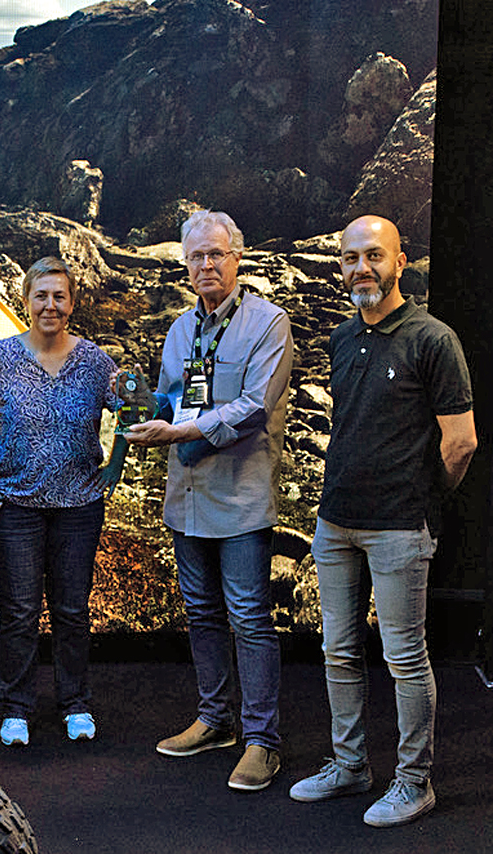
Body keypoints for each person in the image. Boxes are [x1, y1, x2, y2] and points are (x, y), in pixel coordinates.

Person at [289, 215, 476, 827]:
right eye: (350, 258)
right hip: (336, 521)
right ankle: (350, 767)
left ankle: (414, 782)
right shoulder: (343, 337)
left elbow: (462, 442)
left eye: (374, 255)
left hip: (399, 525)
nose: (361, 268)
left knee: (404, 658)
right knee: (338, 651)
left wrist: (423, 497)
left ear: (400, 261)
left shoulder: (433, 339)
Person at [124, 210, 293, 791]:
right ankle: (215, 720)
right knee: (200, 612)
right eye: (195, 256)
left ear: (237, 257)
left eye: (216, 254)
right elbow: (171, 400)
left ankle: (261, 740)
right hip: (187, 497)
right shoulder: (179, 329)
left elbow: (254, 408)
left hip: (241, 498)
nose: (205, 265)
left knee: (249, 616)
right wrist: (139, 408)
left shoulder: (268, 323)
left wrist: (178, 431)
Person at [0, 256, 127, 747]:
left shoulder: (95, 361)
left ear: (72, 303)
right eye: (41, 296)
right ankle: (17, 708)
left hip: (79, 505)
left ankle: (75, 703)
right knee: (19, 611)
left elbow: (132, 409)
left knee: (72, 610)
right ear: (26, 301)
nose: (50, 305)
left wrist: (114, 467)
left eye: (59, 296)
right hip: (15, 505)